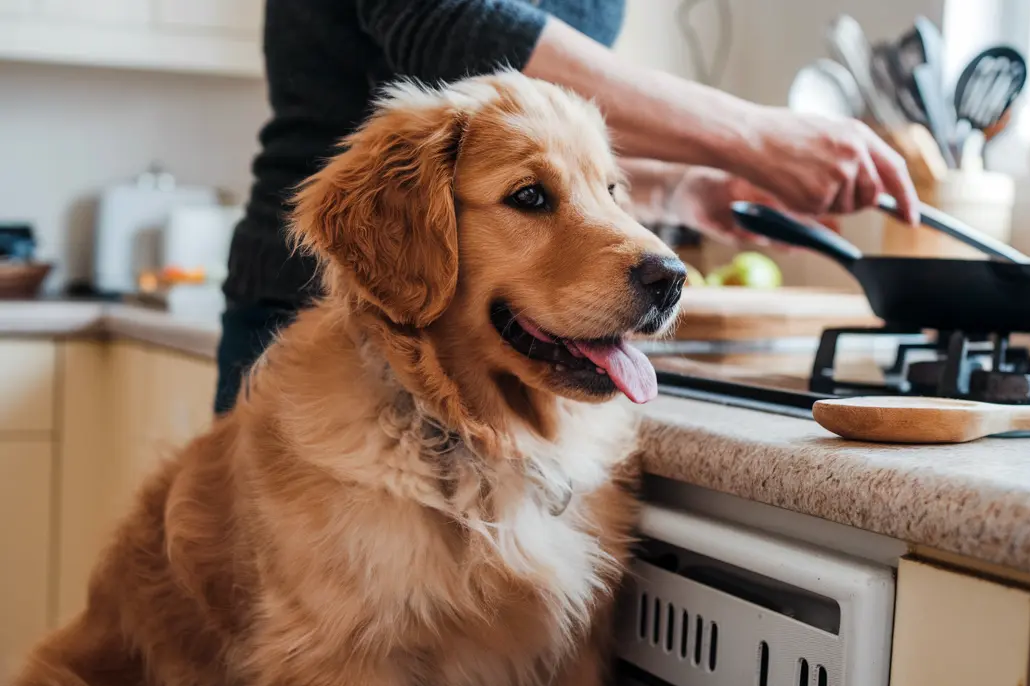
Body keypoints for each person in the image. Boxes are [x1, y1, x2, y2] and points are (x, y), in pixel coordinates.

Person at [215, 0, 919, 414]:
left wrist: (684, 188)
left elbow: (527, 140)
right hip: (329, 329)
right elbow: (448, 23)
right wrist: (753, 135)